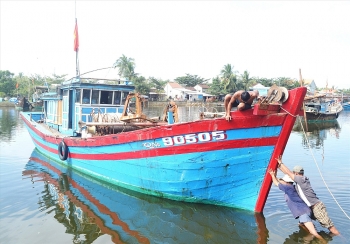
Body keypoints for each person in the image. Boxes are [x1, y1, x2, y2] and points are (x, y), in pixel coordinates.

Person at [276, 156, 340, 235]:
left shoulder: (301, 179)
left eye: (293, 174)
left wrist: (280, 162)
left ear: (296, 173)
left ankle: (341, 238)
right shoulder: (299, 182)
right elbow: (287, 174)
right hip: (311, 207)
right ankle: (313, 235)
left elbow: (288, 172)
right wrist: (278, 167)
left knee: (330, 227)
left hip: (317, 207)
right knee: (302, 224)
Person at [268, 169, 325, 241]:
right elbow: (279, 181)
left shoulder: (287, 188)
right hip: (305, 211)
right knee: (301, 225)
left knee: (314, 233)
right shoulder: (292, 187)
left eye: (283, 181)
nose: (282, 181)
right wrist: (274, 175)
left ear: (287, 182)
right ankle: (309, 233)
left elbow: (276, 183)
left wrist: (272, 175)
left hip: (303, 213)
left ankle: (324, 242)